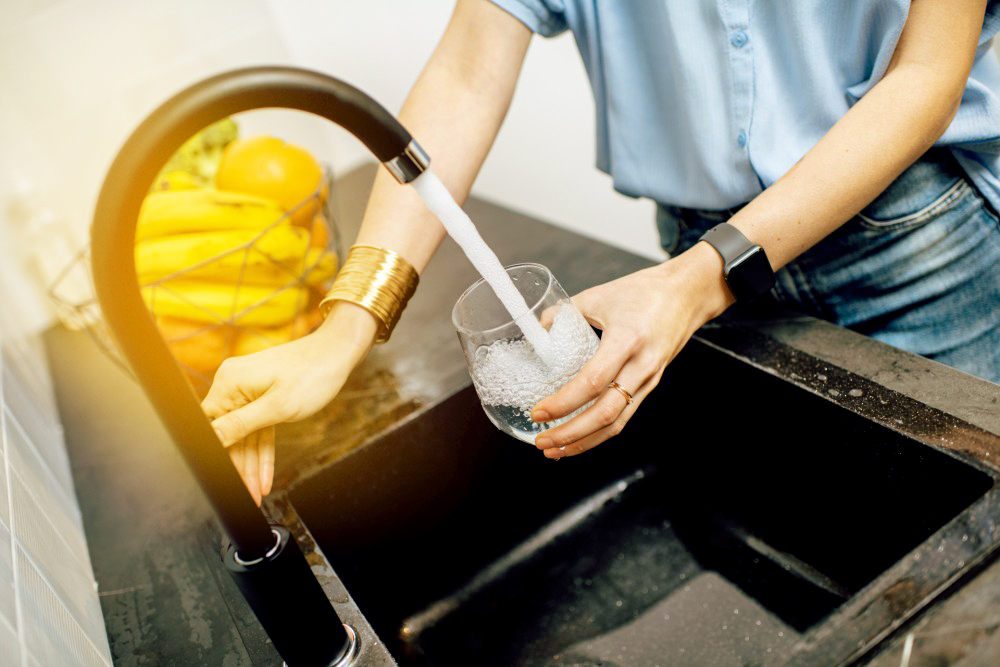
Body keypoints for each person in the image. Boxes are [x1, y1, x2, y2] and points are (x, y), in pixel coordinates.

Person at [203, 0, 1000, 505]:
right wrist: (345, 327)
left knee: (965, 551)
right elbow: (467, 75)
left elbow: (927, 75)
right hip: (695, 258)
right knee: (797, 522)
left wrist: (700, 280)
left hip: (915, 247)